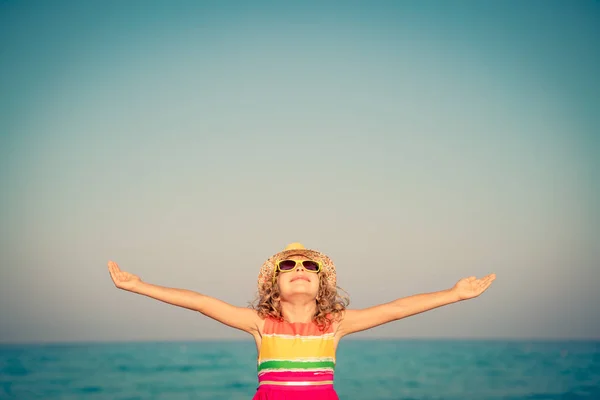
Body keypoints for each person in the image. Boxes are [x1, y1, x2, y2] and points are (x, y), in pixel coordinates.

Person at [107, 242, 496, 400]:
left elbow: (395, 309)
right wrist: (140, 286)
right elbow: (200, 303)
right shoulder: (259, 323)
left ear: (321, 284)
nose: (299, 268)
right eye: (287, 265)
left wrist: (454, 294)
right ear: (273, 284)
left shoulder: (335, 324)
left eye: (309, 266)